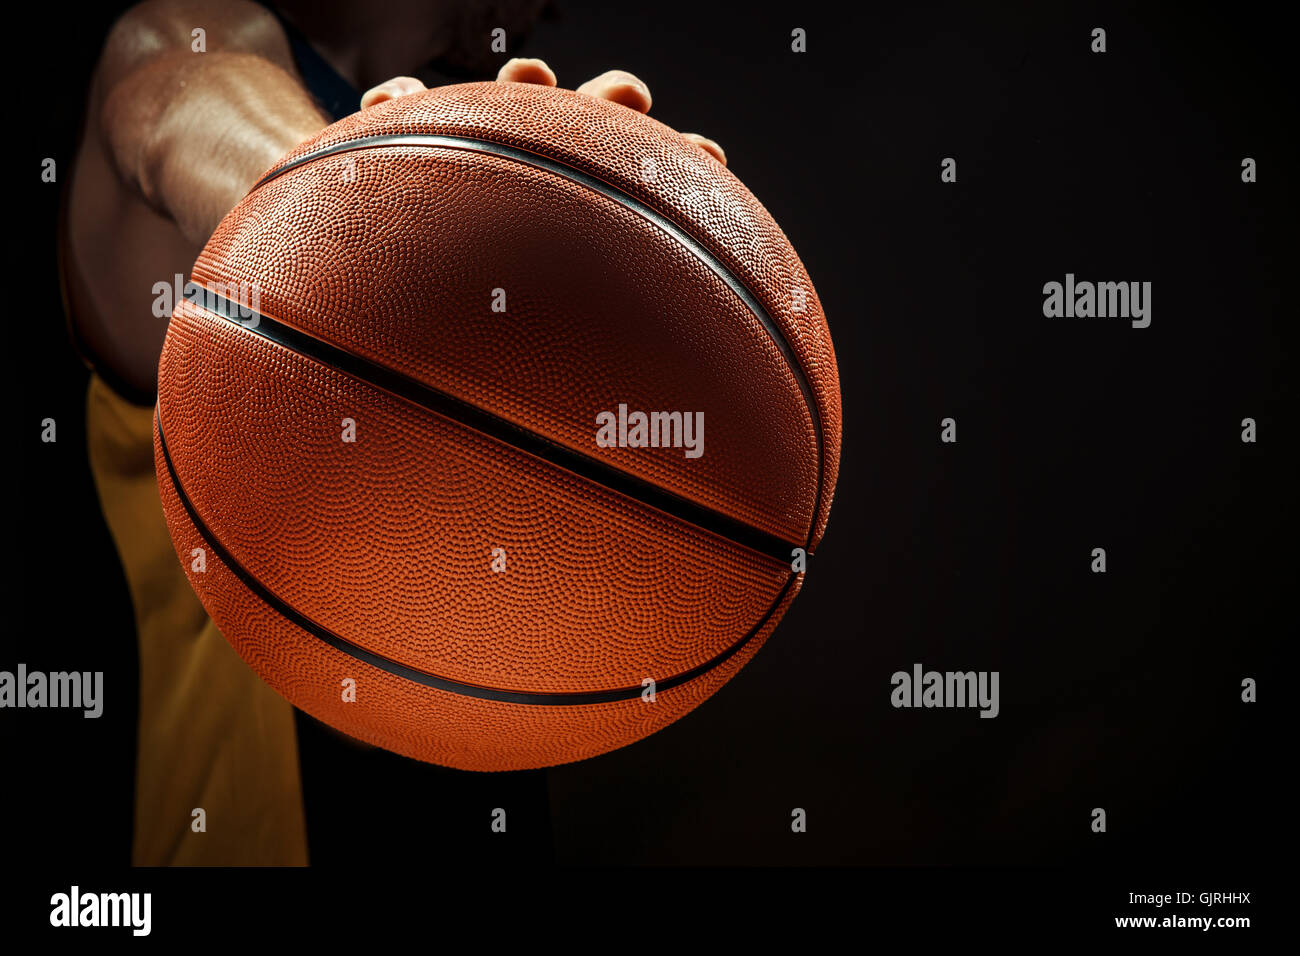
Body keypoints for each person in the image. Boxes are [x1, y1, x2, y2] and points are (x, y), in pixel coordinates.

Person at [61, 0, 726, 865]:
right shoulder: (195, 38)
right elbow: (173, 107)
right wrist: (360, 218)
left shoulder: (467, 135)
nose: (559, 8)